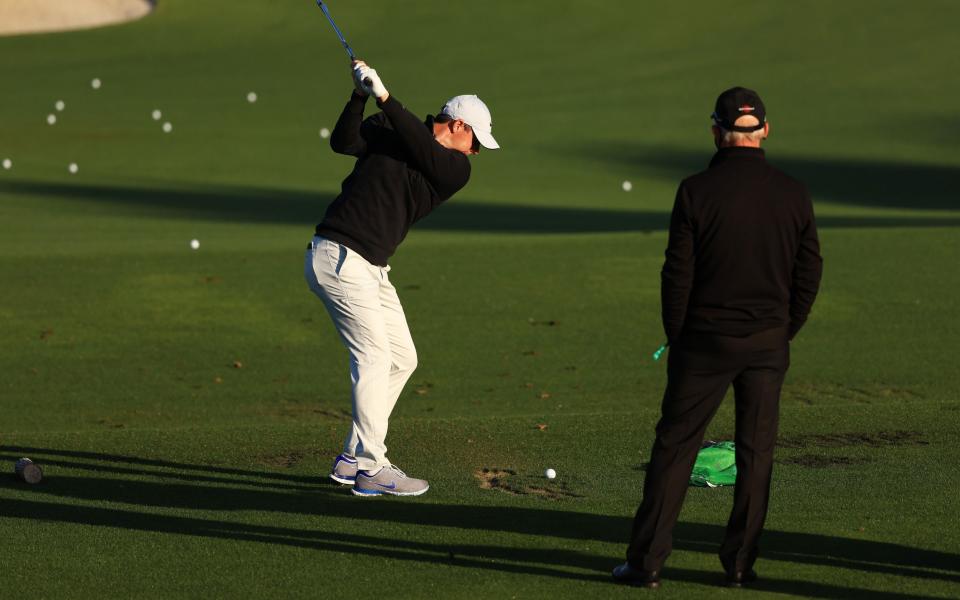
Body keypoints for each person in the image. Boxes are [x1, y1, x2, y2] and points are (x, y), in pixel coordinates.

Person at [613, 87, 823, 587]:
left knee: (676, 448)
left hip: (704, 341)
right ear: (765, 130)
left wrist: (677, 335)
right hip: (768, 341)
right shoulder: (793, 192)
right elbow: (808, 271)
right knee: (756, 452)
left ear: (716, 131)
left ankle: (646, 564)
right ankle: (739, 565)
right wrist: (784, 328)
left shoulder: (696, 191)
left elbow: (676, 274)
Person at [305, 61, 499, 497]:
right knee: (374, 359)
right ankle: (373, 467)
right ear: (459, 126)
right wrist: (359, 96)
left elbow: (422, 147)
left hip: (369, 267)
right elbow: (344, 142)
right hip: (339, 257)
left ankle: (353, 455)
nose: (476, 153)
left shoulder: (454, 170)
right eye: (476, 142)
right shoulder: (390, 129)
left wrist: (387, 97)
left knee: (401, 358)